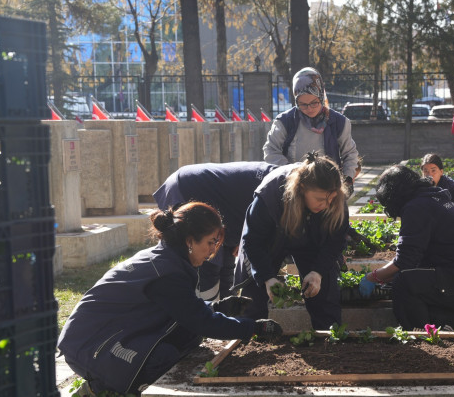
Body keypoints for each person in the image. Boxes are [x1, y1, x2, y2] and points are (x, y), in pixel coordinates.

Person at [57, 202, 282, 394]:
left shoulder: (169, 259)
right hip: (90, 344)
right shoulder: (167, 272)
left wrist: (217, 307)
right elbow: (200, 321)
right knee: (162, 359)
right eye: (211, 242)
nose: (213, 250)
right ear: (190, 241)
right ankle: (100, 388)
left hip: (109, 333)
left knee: (188, 337)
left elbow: (183, 310)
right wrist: (253, 328)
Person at [357, 165, 454, 331]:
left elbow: (404, 261)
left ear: (394, 195)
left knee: (405, 284)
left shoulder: (417, 207)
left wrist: (373, 277)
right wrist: (386, 278)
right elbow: (416, 260)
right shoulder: (432, 199)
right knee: (413, 285)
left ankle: (420, 331)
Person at [236, 154, 348, 330]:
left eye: (331, 199)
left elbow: (336, 241)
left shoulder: (334, 198)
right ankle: (248, 337)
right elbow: (252, 242)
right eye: (320, 199)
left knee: (324, 291)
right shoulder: (270, 194)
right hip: (272, 238)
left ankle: (329, 340)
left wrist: (317, 272)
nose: (326, 205)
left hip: (312, 239)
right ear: (302, 188)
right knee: (254, 295)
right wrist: (267, 278)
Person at [153, 161, 277, 300]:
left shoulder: (283, 180)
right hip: (190, 190)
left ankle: (224, 310)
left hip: (225, 208)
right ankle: (206, 306)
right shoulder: (280, 185)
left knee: (226, 267)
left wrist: (240, 239)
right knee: (208, 263)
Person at [263, 67, 360, 194]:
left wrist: (347, 179)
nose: (309, 108)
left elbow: (350, 154)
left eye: (314, 102)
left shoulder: (339, 122)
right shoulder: (285, 122)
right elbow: (270, 150)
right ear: (296, 101)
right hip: (294, 187)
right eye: (303, 104)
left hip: (329, 188)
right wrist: (292, 171)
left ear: (321, 96)